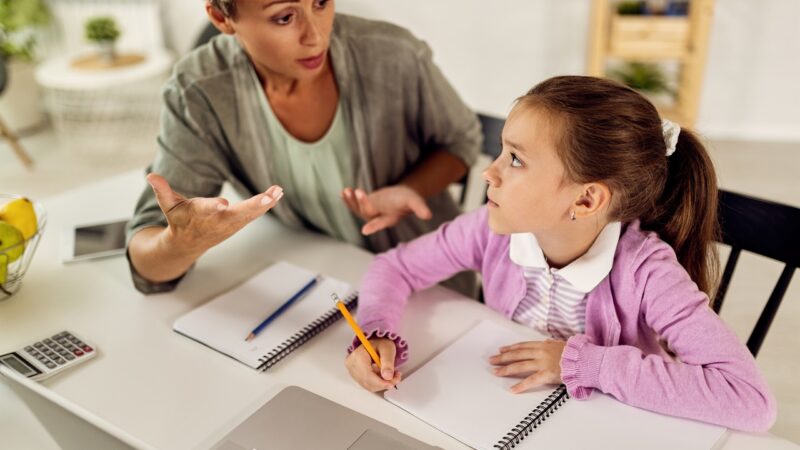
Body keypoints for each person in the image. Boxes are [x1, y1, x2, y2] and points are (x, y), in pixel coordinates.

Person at [344, 76, 777, 432]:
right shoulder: (489, 231)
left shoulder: (647, 274)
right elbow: (395, 267)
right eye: (502, 151)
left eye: (515, 159)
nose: (489, 172)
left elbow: (751, 401)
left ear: (586, 200)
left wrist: (584, 363)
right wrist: (377, 332)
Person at [126, 0, 480, 293]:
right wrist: (182, 244)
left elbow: (461, 139)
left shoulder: (393, 53)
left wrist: (411, 189)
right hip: (318, 285)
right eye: (284, 17)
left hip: (430, 287)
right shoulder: (198, 92)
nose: (316, 36)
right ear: (222, 18)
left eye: (321, 3)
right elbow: (148, 260)